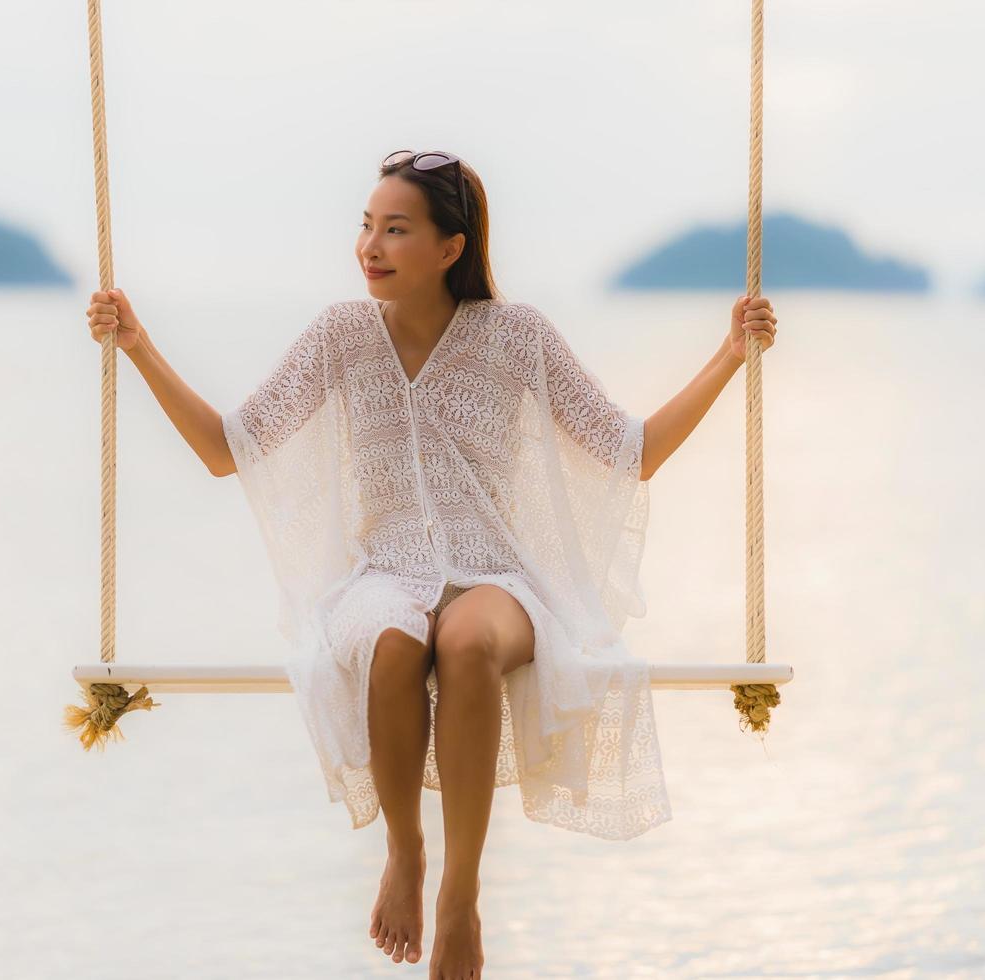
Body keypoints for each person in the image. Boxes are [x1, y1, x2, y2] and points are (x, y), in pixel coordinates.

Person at [85, 149, 777, 979]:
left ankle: (461, 894)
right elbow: (228, 450)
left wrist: (731, 356)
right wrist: (137, 344)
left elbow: (629, 453)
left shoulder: (515, 336)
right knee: (391, 633)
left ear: (451, 248)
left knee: (467, 639)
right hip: (380, 573)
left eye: (395, 230)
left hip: (499, 578)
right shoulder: (341, 336)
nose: (371, 246)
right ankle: (405, 855)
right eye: (367, 227)